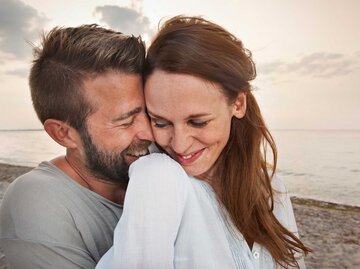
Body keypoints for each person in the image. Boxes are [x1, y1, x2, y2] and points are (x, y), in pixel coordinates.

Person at [96, 16, 311, 268]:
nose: (180, 145)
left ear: (238, 104)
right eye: (161, 123)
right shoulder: (157, 178)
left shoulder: (270, 186)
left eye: (198, 122)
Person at [0, 24, 153, 269]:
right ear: (63, 134)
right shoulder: (37, 201)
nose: (150, 131)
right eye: (126, 121)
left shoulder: (159, 163)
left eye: (151, 111)